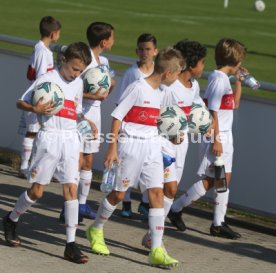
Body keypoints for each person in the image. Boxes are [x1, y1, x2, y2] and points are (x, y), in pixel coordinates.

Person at [86, 48, 184, 268]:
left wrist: (173, 136)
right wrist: (112, 148)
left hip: (153, 147)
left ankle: (157, 250)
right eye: (177, 74)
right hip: (130, 146)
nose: (177, 78)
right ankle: (96, 229)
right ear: (168, 72)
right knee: (119, 194)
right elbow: (117, 116)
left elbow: (158, 121)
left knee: (157, 193)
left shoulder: (163, 92)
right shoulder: (138, 87)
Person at [3, 42, 94, 264]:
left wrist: (86, 121)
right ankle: (11, 218)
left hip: (71, 139)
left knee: (71, 189)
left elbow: (76, 111)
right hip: (49, 139)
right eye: (74, 68)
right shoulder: (46, 80)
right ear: (64, 61)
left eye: (80, 71)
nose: (76, 74)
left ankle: (70, 245)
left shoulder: (78, 83)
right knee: (37, 192)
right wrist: (34, 109)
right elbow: (20, 102)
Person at [168, 38, 247, 240]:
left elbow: (234, 105)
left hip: (225, 136)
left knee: (221, 180)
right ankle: (182, 210)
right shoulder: (218, 80)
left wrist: (239, 82)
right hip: (218, 136)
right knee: (215, 179)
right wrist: (217, 140)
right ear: (236, 58)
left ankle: (217, 221)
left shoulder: (224, 79)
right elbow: (212, 110)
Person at [141, 39, 207, 248]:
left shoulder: (194, 86)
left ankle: (152, 235)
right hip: (163, 144)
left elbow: (195, 108)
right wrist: (168, 134)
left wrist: (206, 121)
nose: (204, 67)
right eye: (202, 62)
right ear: (191, 63)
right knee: (167, 189)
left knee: (171, 191)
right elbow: (157, 116)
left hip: (182, 145)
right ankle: (154, 240)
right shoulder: (170, 86)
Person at [74, 22, 115, 221]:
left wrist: (109, 87)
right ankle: (72, 205)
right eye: (112, 38)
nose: (114, 41)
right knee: (79, 159)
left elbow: (107, 87)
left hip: (95, 115)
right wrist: (93, 96)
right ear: (104, 41)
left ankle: (81, 203)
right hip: (81, 115)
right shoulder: (84, 60)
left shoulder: (104, 62)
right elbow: (74, 91)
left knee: (88, 160)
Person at [116, 33, 158, 219]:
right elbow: (121, 103)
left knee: (148, 170)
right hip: (131, 129)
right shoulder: (132, 73)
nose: (144, 53)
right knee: (127, 169)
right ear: (136, 50)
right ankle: (126, 203)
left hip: (151, 130)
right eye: (141, 49)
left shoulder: (159, 72)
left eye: (148, 49)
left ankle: (145, 203)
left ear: (155, 51)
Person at [18, 16, 61, 178]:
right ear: (53, 34)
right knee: (34, 132)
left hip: (35, 95)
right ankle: (25, 168)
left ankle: (27, 166)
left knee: (33, 132)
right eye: (58, 33)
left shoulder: (41, 48)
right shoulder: (43, 52)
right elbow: (42, 77)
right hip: (38, 98)